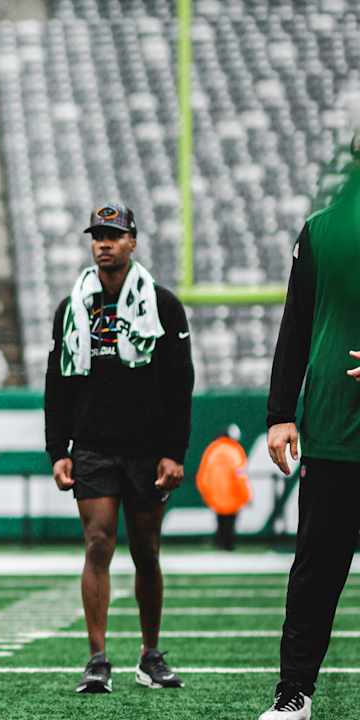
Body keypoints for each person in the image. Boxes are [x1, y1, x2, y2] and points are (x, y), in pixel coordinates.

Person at [44, 202, 194, 694]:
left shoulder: (163, 304)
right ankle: (97, 658)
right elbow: (57, 383)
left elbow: (179, 384)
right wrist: (57, 450)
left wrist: (175, 451)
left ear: (133, 241)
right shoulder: (73, 307)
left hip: (146, 448)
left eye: (113, 234)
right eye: (97, 235)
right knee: (98, 543)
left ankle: (150, 654)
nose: (103, 243)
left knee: (147, 550)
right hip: (91, 446)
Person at [260, 131, 360, 720]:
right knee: (316, 574)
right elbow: (295, 325)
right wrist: (278, 413)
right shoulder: (321, 231)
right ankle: (294, 692)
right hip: (331, 429)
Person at [195, 425, 249, 552]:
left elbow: (203, 474)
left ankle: (220, 542)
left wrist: (205, 491)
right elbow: (240, 474)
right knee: (230, 521)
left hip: (215, 494)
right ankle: (228, 543)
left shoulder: (213, 449)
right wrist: (245, 494)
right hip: (233, 494)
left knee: (220, 519)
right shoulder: (235, 450)